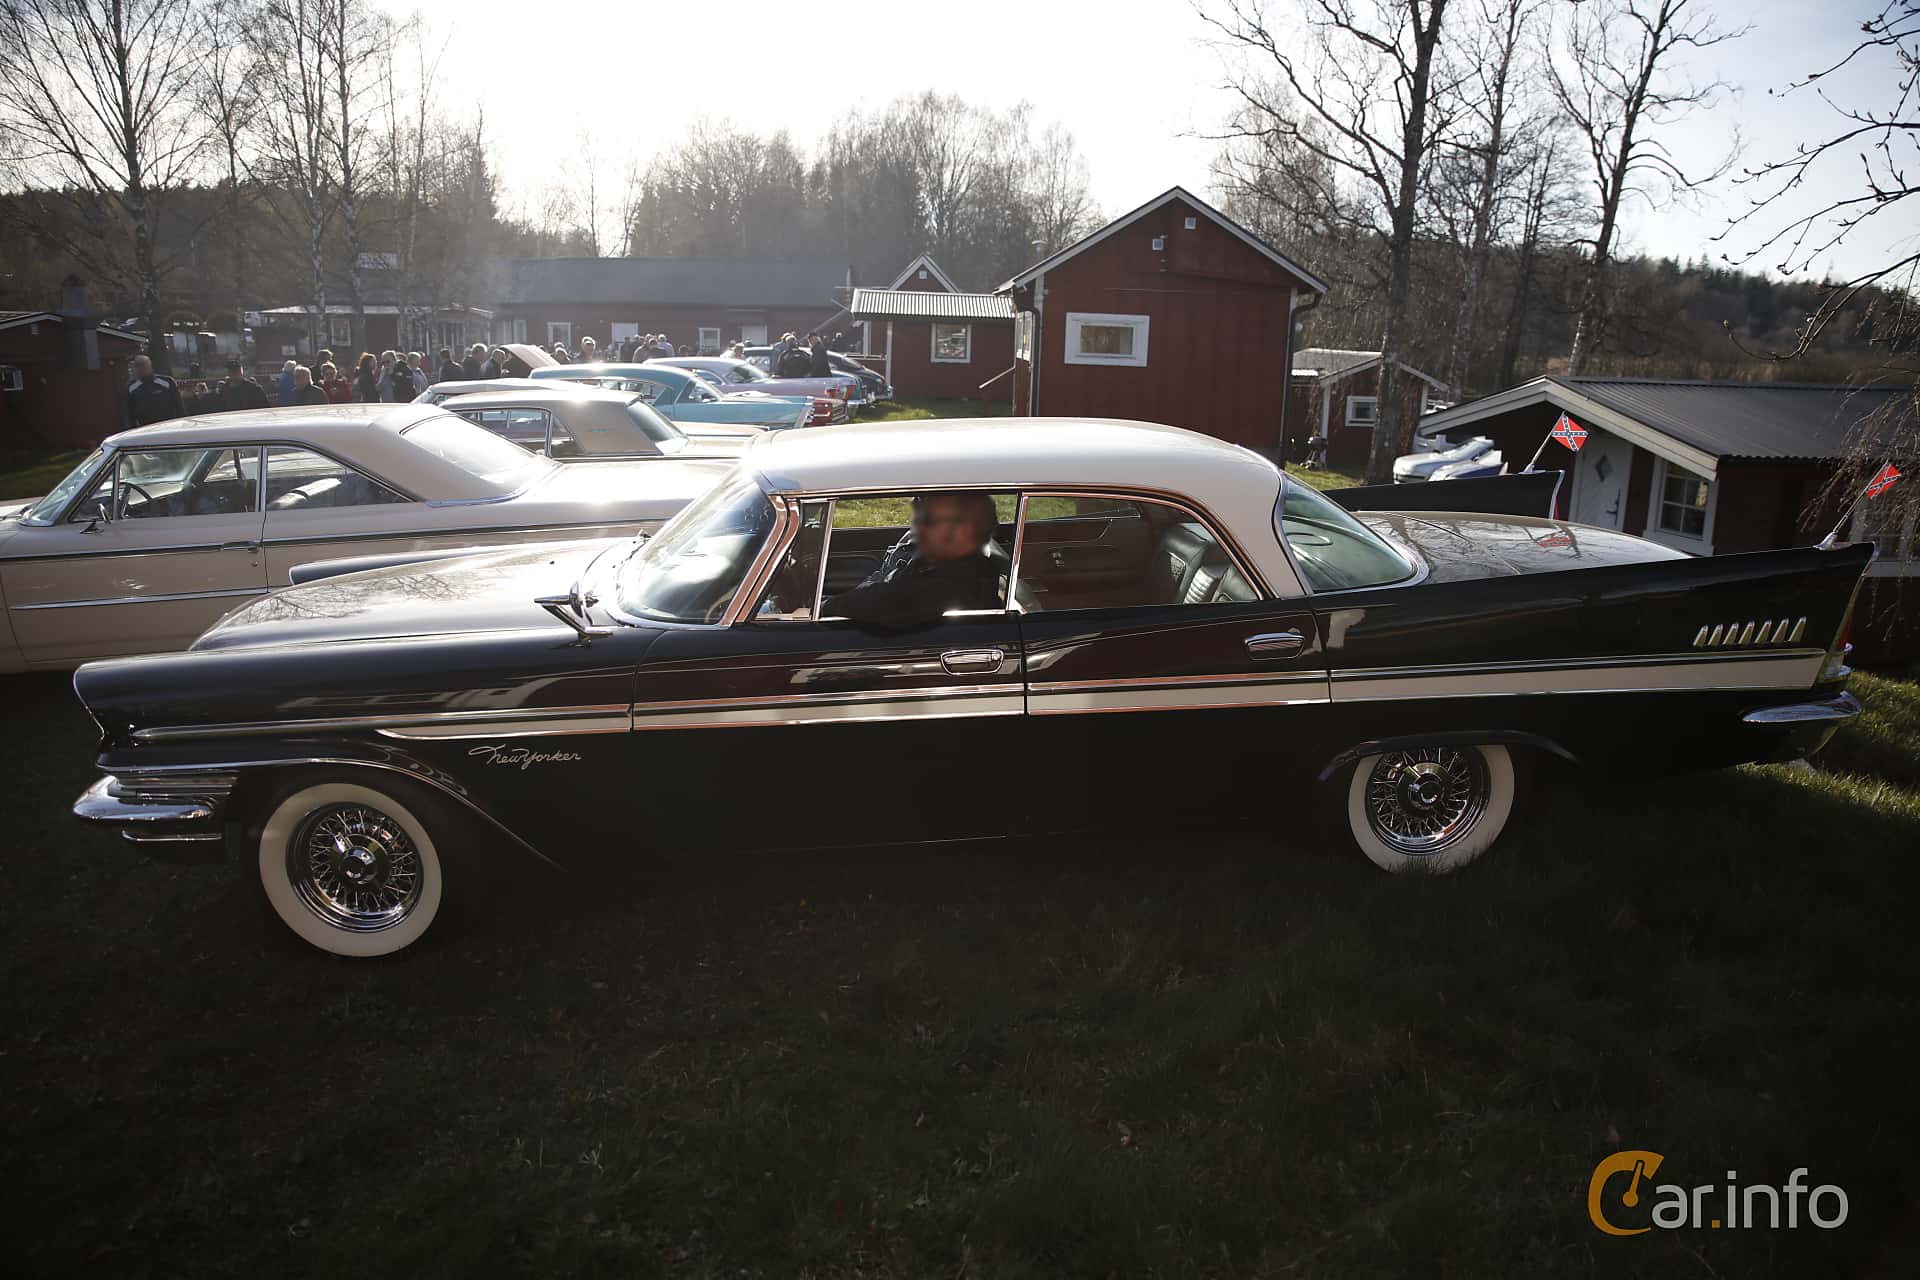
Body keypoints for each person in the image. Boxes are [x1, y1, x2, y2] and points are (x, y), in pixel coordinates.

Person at [821, 491, 1005, 629]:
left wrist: (825, 608)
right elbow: (885, 582)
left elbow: (891, 601)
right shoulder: (932, 553)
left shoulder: (960, 577)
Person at [126, 354, 185, 426]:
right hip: (146, 428)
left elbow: (179, 406)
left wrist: (181, 423)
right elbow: (129, 412)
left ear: (149, 366)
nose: (140, 369)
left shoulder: (168, 382)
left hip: (168, 425)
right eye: (137, 366)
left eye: (143, 365)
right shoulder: (131, 387)